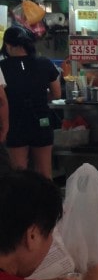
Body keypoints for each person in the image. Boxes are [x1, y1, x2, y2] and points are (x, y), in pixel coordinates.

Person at [0, 25, 61, 178]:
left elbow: (1, 99)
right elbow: (57, 94)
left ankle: (23, 202)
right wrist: (39, 98)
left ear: (8, 45)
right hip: (41, 120)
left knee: (19, 173)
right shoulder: (45, 63)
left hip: (15, 122)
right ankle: (48, 202)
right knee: (45, 172)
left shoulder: (2, 67)